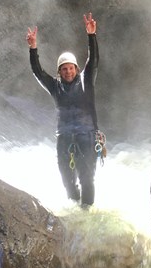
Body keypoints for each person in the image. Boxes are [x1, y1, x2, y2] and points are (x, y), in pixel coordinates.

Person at [26, 13, 99, 206]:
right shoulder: (55, 86)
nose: (68, 72)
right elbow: (37, 72)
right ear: (59, 71)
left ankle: (87, 213)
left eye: (71, 68)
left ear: (76, 69)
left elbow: (93, 61)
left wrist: (91, 35)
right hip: (64, 136)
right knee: (67, 180)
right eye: (64, 69)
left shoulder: (86, 81)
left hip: (86, 134)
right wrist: (33, 47)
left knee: (86, 179)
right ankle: (75, 212)